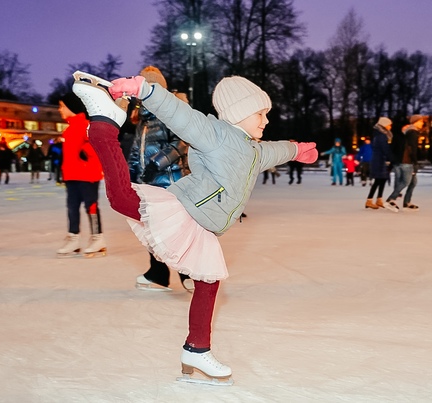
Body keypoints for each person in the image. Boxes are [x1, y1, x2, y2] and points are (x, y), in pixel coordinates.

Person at [71, 71, 318, 384]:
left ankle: (197, 349)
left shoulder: (254, 151)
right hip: (185, 210)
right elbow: (179, 114)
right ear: (240, 112)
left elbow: (275, 151)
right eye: (261, 113)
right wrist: (144, 90)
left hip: (205, 226)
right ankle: (104, 126)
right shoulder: (213, 134)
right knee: (122, 198)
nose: (266, 120)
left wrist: (297, 150)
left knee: (209, 281)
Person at [128, 66, 193, 292]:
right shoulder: (143, 121)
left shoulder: (172, 113)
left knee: (176, 229)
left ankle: (188, 272)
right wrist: (131, 174)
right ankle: (158, 274)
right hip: (149, 186)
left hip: (172, 182)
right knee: (153, 232)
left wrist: (157, 163)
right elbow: (137, 151)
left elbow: (181, 143)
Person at [56, 92, 107, 257]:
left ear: (71, 107)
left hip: (87, 174)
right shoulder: (69, 129)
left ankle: (97, 237)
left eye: (62, 106)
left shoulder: (86, 126)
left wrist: (87, 151)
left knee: (90, 206)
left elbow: (98, 145)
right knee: (72, 207)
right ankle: (73, 238)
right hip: (71, 175)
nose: (59, 109)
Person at [385, 115, 423, 212]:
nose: (422, 123)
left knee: (413, 182)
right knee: (406, 181)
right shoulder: (413, 132)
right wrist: (415, 162)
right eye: (421, 121)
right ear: (416, 122)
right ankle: (391, 199)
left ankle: (407, 202)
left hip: (403, 161)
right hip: (407, 161)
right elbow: (412, 148)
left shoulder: (407, 132)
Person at [365, 117, 394, 209]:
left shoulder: (383, 134)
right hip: (379, 160)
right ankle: (369, 200)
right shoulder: (381, 135)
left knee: (383, 179)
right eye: (389, 125)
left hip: (381, 159)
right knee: (378, 180)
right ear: (384, 125)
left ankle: (379, 199)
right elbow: (385, 148)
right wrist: (390, 158)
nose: (390, 126)